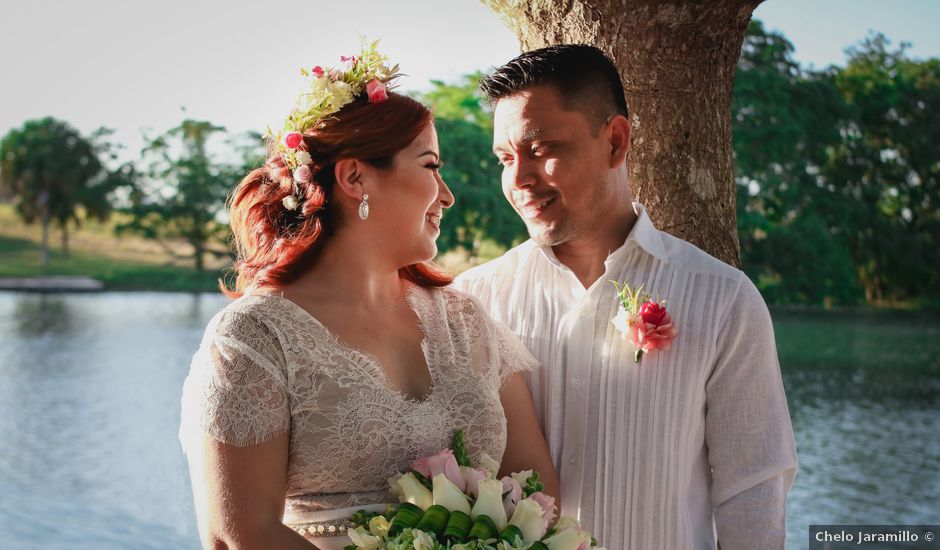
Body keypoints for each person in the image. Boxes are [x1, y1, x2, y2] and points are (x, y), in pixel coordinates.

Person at [178, 44, 558, 550]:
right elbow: (236, 534)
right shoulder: (256, 336)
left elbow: (537, 492)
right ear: (355, 177)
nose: (446, 195)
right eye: (429, 166)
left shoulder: (465, 320)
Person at [455, 44, 797, 549]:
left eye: (542, 148)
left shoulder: (723, 300)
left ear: (615, 141)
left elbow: (753, 490)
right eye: (506, 158)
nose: (520, 179)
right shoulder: (473, 301)